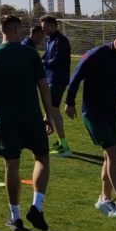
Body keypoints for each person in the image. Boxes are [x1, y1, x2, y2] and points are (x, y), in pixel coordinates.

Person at [0, 14, 54, 231]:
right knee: (42, 158)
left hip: (6, 119)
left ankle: (16, 216)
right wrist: (49, 115)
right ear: (17, 30)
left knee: (11, 165)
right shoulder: (30, 54)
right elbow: (43, 87)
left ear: (0, 30)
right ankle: (37, 207)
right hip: (32, 117)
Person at [64, 31, 116, 219]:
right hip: (93, 114)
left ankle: (104, 199)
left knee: (110, 157)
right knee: (113, 153)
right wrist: (70, 102)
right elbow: (76, 77)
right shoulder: (95, 55)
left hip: (112, 114)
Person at [40, 16, 72, 157]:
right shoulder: (51, 41)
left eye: (45, 27)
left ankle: (64, 146)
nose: (43, 29)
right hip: (50, 79)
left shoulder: (61, 41)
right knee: (51, 110)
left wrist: (42, 62)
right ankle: (60, 143)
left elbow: (56, 61)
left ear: (53, 26)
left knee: (53, 110)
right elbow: (46, 57)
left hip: (57, 80)